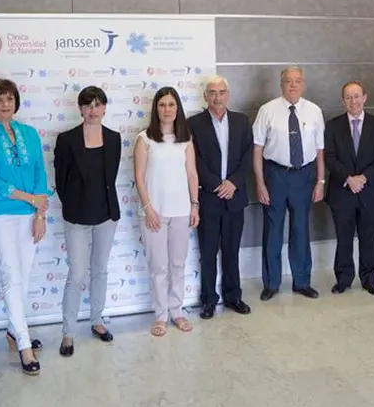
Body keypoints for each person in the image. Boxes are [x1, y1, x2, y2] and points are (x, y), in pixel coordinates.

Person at [0, 78, 50, 374]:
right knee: (11, 276)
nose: (5, 105)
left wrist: (39, 214)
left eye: (9, 99)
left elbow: (40, 173)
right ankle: (24, 345)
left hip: (31, 214)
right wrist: (28, 197)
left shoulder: (29, 133)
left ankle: (11, 330)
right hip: (1, 215)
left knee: (25, 276)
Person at [54, 86, 121, 356]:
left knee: (100, 269)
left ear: (105, 108)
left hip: (106, 214)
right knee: (78, 274)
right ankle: (68, 332)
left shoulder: (115, 138)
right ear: (80, 108)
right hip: (77, 216)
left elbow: (110, 178)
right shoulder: (67, 139)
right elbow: (60, 181)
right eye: (87, 105)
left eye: (97, 104)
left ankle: (97, 320)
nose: (93, 110)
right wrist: (74, 204)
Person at [253, 66, 325, 302]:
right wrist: (261, 184)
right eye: (288, 81)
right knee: (273, 231)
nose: (292, 85)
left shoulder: (314, 111)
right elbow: (257, 150)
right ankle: (271, 283)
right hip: (275, 175)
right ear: (281, 84)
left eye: (297, 81)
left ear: (303, 84)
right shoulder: (267, 110)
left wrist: (320, 181)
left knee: (300, 230)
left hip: (304, 176)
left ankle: (302, 282)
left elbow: (320, 151)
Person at [134, 87, 200, 337]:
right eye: (162, 105)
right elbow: (139, 177)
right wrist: (148, 208)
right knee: (159, 266)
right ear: (156, 109)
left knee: (177, 264)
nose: (167, 109)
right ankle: (160, 314)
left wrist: (195, 205)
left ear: (177, 108)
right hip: (155, 214)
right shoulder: (145, 139)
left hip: (182, 211)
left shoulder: (186, 139)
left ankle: (177, 311)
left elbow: (192, 174)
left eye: (171, 105)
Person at [188, 75, 253, 319]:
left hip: (235, 197)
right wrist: (217, 184)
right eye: (212, 92)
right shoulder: (193, 123)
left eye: (222, 92)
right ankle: (208, 300)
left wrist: (233, 182)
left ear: (228, 94)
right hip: (209, 197)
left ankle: (233, 296)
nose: (217, 97)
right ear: (205, 96)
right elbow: (194, 161)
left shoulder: (242, 121)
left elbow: (248, 156)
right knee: (208, 252)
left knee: (231, 250)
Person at [324, 81, 374, 295]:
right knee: (344, 238)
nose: (353, 101)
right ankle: (343, 279)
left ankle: (370, 280)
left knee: (370, 238)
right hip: (342, 192)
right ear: (343, 101)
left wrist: (363, 178)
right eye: (348, 97)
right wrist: (348, 178)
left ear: (365, 97)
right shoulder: (332, 126)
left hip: (369, 191)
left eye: (357, 96)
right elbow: (330, 158)